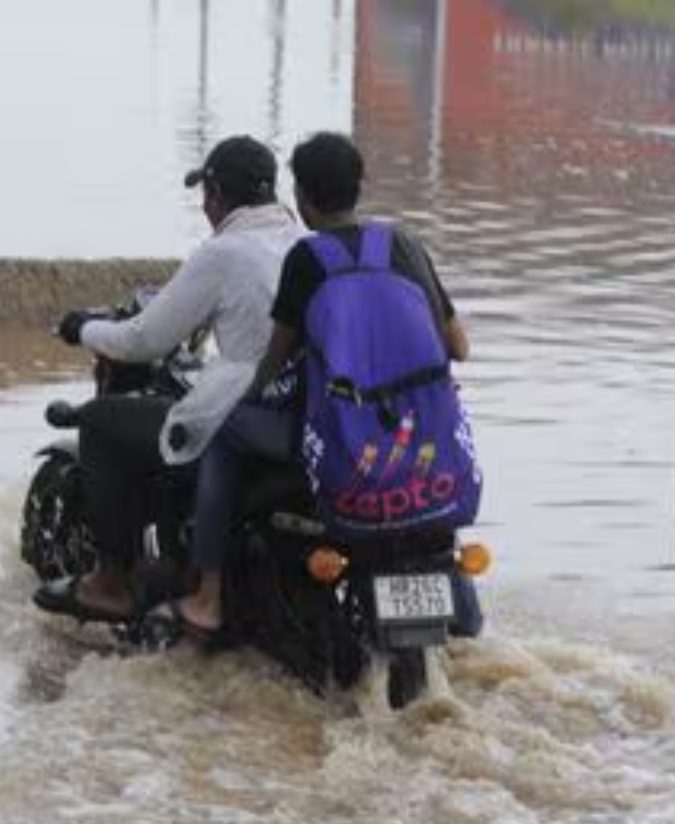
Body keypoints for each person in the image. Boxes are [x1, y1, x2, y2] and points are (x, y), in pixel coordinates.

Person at [159, 130, 472, 637]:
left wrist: (245, 396)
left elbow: (274, 360)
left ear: (301, 197)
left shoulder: (309, 259)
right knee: (433, 521)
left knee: (224, 431)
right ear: (359, 187)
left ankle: (208, 595)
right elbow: (459, 348)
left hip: (343, 442)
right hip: (421, 441)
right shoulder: (406, 246)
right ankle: (465, 613)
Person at [34, 135, 306, 624]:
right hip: (303, 412)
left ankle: (110, 584)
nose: (205, 206)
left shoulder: (223, 252)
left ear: (216, 195)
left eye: (206, 195)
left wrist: (83, 329)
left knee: (102, 421)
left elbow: (144, 341)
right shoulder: (307, 243)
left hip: (245, 409)